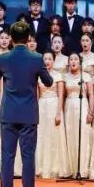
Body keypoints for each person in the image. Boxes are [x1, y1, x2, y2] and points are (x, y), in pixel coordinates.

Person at [0, 21, 53, 187]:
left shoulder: (3, 58)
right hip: (28, 114)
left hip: (9, 113)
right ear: (28, 38)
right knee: (28, 158)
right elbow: (48, 82)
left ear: (11, 38)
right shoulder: (37, 58)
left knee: (7, 157)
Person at [36, 51, 68, 179]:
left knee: (54, 135)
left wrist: (59, 113)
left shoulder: (58, 75)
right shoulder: (38, 76)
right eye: (45, 59)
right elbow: (36, 95)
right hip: (42, 106)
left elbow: (61, 95)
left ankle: (55, 168)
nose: (47, 61)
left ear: (54, 61)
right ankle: (41, 168)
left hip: (54, 105)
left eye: (50, 59)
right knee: (42, 135)